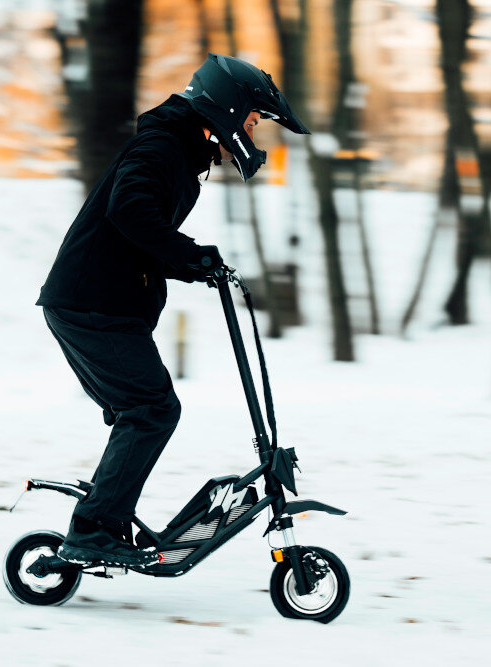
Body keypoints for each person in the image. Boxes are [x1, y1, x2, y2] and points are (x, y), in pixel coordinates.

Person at [37, 54, 310, 567]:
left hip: (98, 304)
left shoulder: (181, 145)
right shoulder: (164, 144)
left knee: (143, 411)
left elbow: (142, 236)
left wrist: (196, 265)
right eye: (252, 120)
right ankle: (94, 529)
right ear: (228, 109)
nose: (253, 132)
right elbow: (129, 209)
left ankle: (105, 521)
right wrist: (190, 254)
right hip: (92, 306)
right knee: (152, 410)